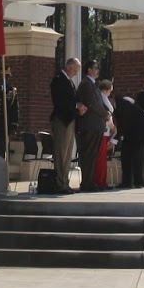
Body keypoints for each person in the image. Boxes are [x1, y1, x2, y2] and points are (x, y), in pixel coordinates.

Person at [49, 56, 85, 193]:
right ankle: (59, 183)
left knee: (68, 153)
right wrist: (77, 106)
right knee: (61, 153)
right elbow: (60, 102)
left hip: (70, 120)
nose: (76, 72)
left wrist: (80, 107)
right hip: (62, 121)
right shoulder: (59, 80)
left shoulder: (70, 82)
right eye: (76, 69)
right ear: (69, 66)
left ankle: (64, 182)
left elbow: (73, 100)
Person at [76, 58, 110, 191]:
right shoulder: (85, 84)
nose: (97, 70)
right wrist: (105, 114)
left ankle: (91, 182)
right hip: (89, 125)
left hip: (96, 125)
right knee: (89, 155)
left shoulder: (93, 84)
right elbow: (92, 103)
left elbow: (99, 102)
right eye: (95, 68)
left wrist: (105, 112)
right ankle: (87, 183)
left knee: (93, 156)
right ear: (89, 70)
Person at [114, 94, 144, 187]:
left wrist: (114, 141)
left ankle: (138, 182)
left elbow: (122, 124)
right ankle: (127, 182)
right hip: (132, 132)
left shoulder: (123, 103)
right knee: (126, 155)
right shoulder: (123, 101)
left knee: (137, 157)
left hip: (141, 131)